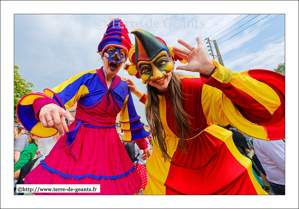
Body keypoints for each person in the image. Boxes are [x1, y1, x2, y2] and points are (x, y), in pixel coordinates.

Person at [124, 29, 285, 195]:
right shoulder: (154, 100)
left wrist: (214, 71)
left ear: (172, 59)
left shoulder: (194, 89)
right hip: (165, 164)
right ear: (139, 74)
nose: (157, 75)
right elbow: (159, 106)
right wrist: (137, 93)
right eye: (145, 69)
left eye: (161, 63)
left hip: (209, 167)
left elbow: (267, 109)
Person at [16, 19, 150, 195]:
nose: (115, 57)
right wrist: (45, 104)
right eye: (110, 51)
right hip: (80, 142)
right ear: (102, 54)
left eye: (121, 53)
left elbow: (132, 119)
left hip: (109, 147)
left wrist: (143, 143)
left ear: (125, 60)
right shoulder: (86, 78)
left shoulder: (124, 88)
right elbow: (57, 96)